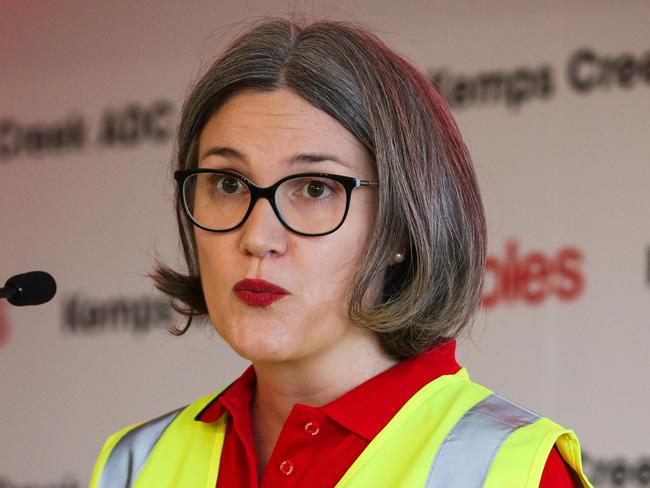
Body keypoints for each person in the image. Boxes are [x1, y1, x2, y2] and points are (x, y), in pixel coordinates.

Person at [89, 18, 592, 487]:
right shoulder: (135, 463)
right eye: (228, 183)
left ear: (402, 223)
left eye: (314, 189)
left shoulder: (509, 469)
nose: (258, 237)